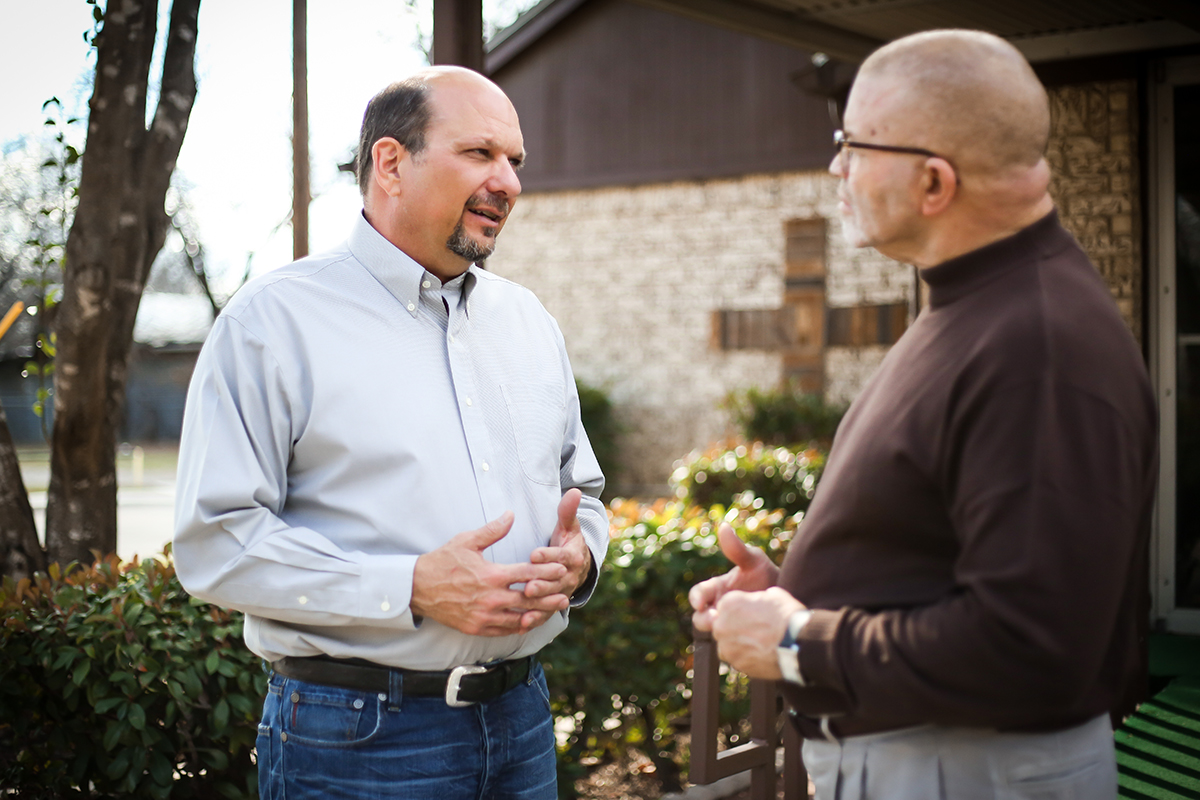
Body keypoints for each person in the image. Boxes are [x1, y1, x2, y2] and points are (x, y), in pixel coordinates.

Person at [689, 29, 1156, 800]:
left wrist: (799, 640)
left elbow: (1031, 646)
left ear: (934, 184)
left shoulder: (1036, 346)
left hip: (966, 772)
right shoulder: (978, 305)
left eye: (853, 143)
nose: (836, 165)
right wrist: (796, 592)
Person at [174, 66, 608, 800]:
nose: (508, 182)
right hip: (357, 743)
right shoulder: (273, 323)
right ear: (390, 163)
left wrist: (581, 558)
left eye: (516, 161)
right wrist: (408, 586)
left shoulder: (530, 322)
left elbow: (582, 490)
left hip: (524, 722)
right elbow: (216, 541)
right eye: (480, 154)